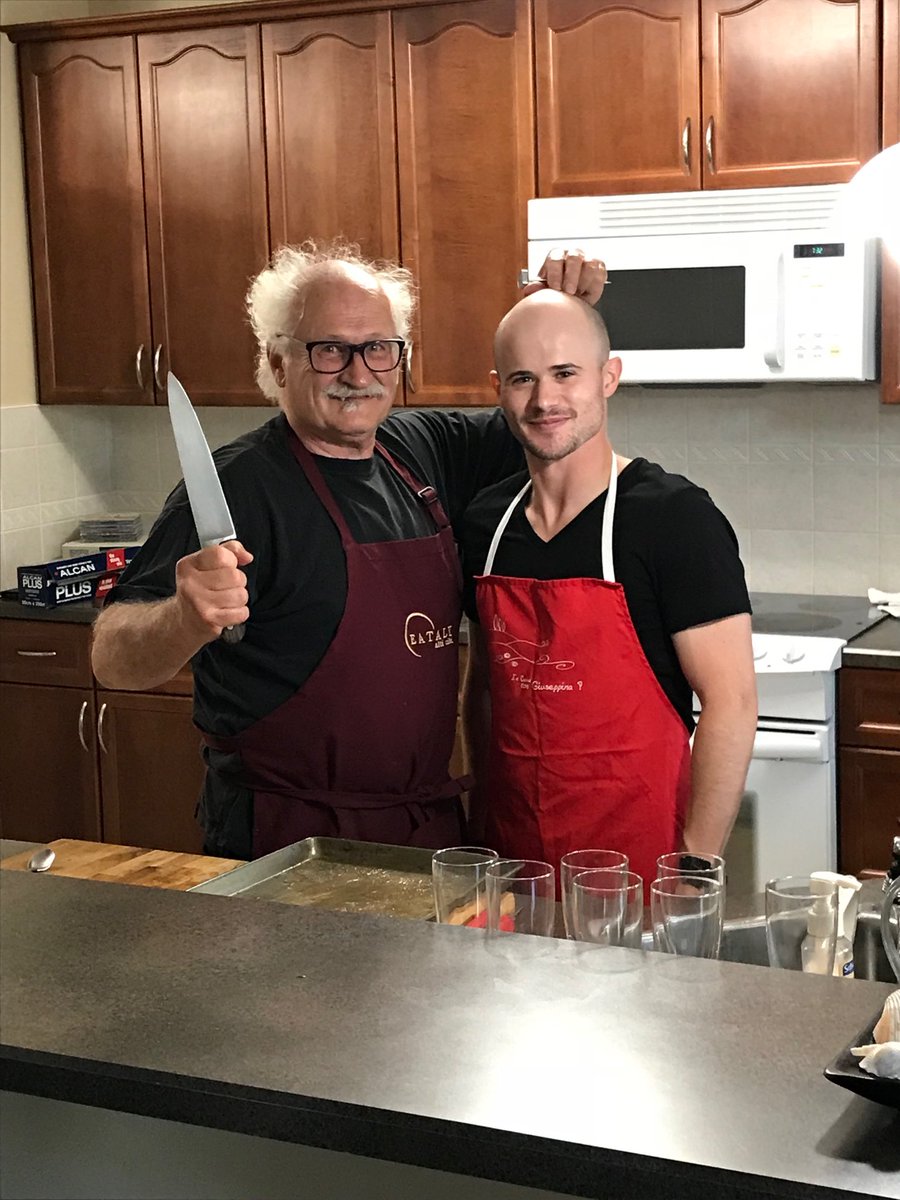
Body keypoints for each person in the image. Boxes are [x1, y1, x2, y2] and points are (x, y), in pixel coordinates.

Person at [90, 242, 606, 861]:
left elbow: (548, 415)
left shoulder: (422, 449)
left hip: (425, 832)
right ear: (279, 363)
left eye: (377, 349)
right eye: (329, 349)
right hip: (286, 842)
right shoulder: (241, 488)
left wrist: (553, 318)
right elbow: (111, 657)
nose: (358, 374)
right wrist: (183, 617)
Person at [460, 290, 757, 894]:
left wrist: (694, 871)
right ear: (498, 389)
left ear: (608, 377)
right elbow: (485, 687)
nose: (545, 400)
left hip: (643, 868)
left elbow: (732, 703)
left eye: (565, 373)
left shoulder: (674, 518)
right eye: (523, 379)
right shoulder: (484, 524)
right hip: (513, 860)